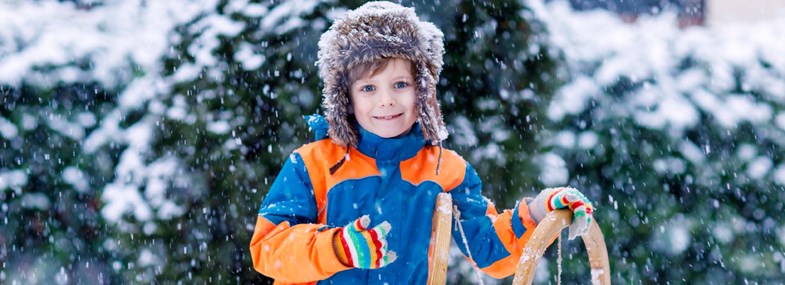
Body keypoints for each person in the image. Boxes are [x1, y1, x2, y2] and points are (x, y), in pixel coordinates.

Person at [249, 2, 594, 284]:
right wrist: (337, 249)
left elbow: (489, 251)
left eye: (400, 84)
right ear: (346, 99)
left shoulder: (446, 170)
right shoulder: (313, 164)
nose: (386, 101)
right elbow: (269, 249)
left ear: (423, 90)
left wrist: (537, 213)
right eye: (369, 88)